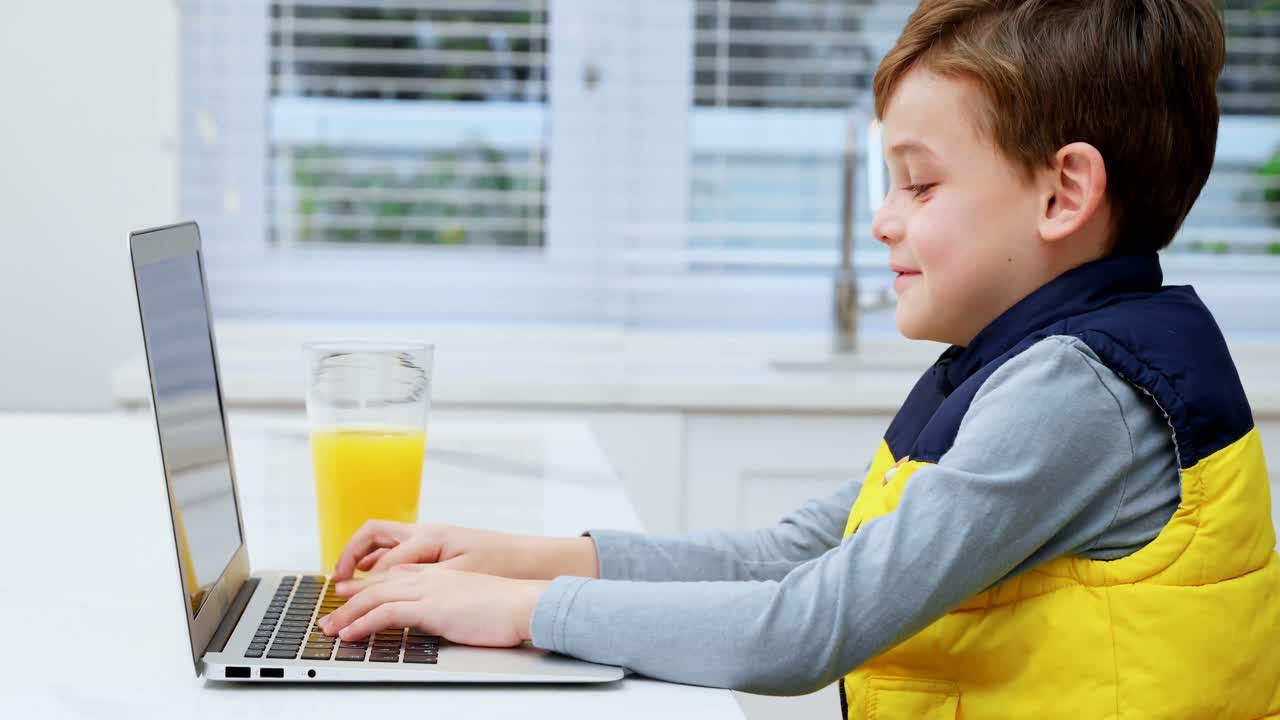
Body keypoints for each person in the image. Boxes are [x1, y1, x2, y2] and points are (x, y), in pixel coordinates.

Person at [317, 1, 1280, 716]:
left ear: (1063, 193)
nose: (884, 219)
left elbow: (805, 630)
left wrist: (523, 610)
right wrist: (512, 559)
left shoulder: (1076, 395)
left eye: (920, 184)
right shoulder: (1024, 362)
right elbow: (790, 556)